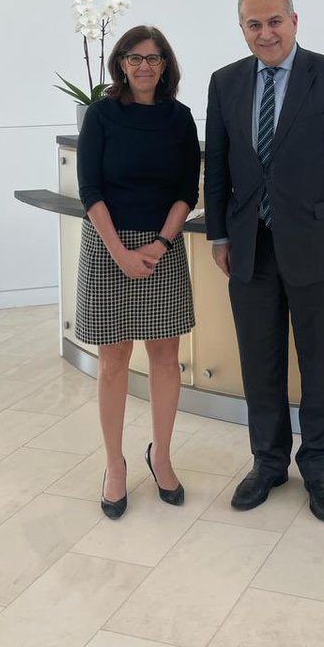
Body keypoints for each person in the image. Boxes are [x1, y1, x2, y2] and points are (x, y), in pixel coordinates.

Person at [204, 0, 324, 522]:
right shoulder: (226, 82)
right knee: (260, 362)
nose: (265, 33)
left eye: (274, 21)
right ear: (243, 30)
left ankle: (320, 469)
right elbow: (220, 163)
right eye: (254, 25)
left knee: (323, 363)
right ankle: (269, 461)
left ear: (295, 21)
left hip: (321, 246)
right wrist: (218, 234)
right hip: (250, 247)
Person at [76, 25, 200, 518]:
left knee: (166, 358)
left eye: (153, 58)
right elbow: (91, 191)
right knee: (114, 361)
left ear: (165, 64)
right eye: (134, 57)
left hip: (161, 244)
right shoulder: (102, 115)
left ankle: (162, 456)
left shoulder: (180, 118)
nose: (144, 66)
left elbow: (187, 190)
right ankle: (115, 466)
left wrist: (160, 243)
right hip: (108, 244)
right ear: (120, 64)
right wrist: (121, 252)